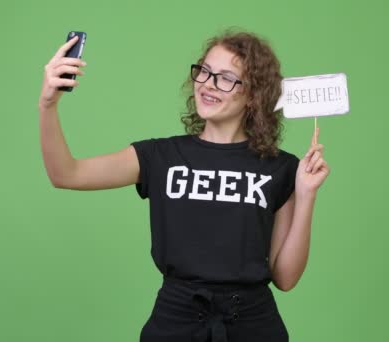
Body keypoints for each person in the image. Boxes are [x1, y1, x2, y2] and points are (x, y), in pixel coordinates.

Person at [38, 29, 329, 342]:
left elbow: (285, 278)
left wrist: (306, 194)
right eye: (204, 71)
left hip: (253, 325)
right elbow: (66, 174)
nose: (208, 84)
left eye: (226, 78)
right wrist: (47, 105)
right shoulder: (159, 156)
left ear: (254, 96)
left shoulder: (281, 168)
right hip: (176, 322)